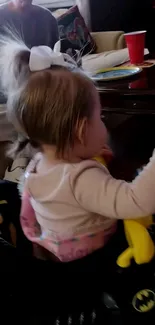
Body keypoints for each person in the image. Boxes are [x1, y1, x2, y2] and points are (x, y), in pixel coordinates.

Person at [1, 36, 155, 269]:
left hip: (57, 255)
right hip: (96, 267)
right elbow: (137, 201)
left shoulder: (41, 162)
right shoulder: (80, 179)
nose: (103, 122)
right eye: (100, 117)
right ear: (81, 132)